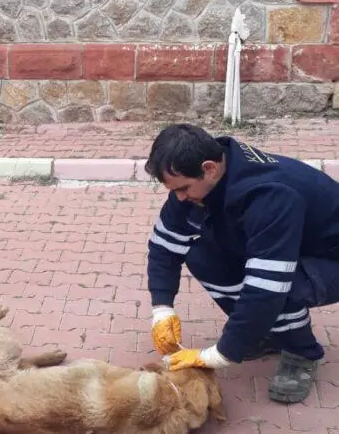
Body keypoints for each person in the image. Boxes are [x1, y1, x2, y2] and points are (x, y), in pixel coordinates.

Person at [144, 123, 339, 404]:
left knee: (283, 286)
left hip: (330, 256)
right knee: (201, 256)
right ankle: (264, 335)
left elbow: (267, 287)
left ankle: (302, 353)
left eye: (184, 189)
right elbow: (164, 246)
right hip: (293, 244)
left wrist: (220, 354)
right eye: (173, 190)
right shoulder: (197, 179)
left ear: (209, 168)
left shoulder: (269, 195)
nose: (180, 198)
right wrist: (161, 309)